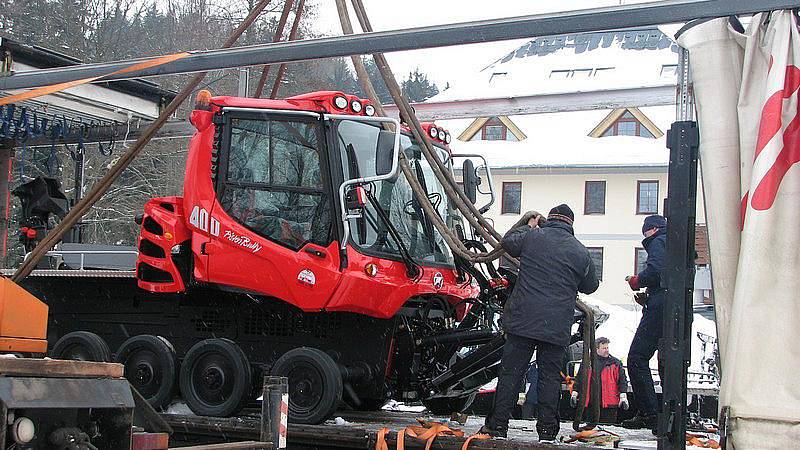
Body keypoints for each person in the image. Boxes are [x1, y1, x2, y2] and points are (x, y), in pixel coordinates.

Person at [481, 204, 600, 442]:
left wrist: (530, 226)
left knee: (511, 374)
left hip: (523, 321)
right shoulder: (580, 251)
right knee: (549, 379)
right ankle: (547, 431)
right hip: (555, 326)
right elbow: (591, 286)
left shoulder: (533, 236)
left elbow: (509, 242)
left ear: (549, 219)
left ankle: (498, 426)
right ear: (570, 224)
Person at [621, 215, 667, 431]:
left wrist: (637, 281)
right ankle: (668, 416)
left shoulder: (659, 241)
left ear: (654, 229)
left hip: (660, 308)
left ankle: (649, 414)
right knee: (667, 362)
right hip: (671, 306)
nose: (644, 237)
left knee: (637, 358)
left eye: (645, 232)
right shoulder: (676, 244)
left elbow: (656, 271)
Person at [571, 337, 629, 426]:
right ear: (596, 349)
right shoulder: (587, 362)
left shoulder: (615, 363)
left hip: (609, 404)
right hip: (591, 403)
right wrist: (575, 393)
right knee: (590, 428)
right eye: (604, 348)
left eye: (607, 348)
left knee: (607, 429)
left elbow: (622, 380)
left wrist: (623, 396)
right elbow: (579, 378)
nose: (606, 350)